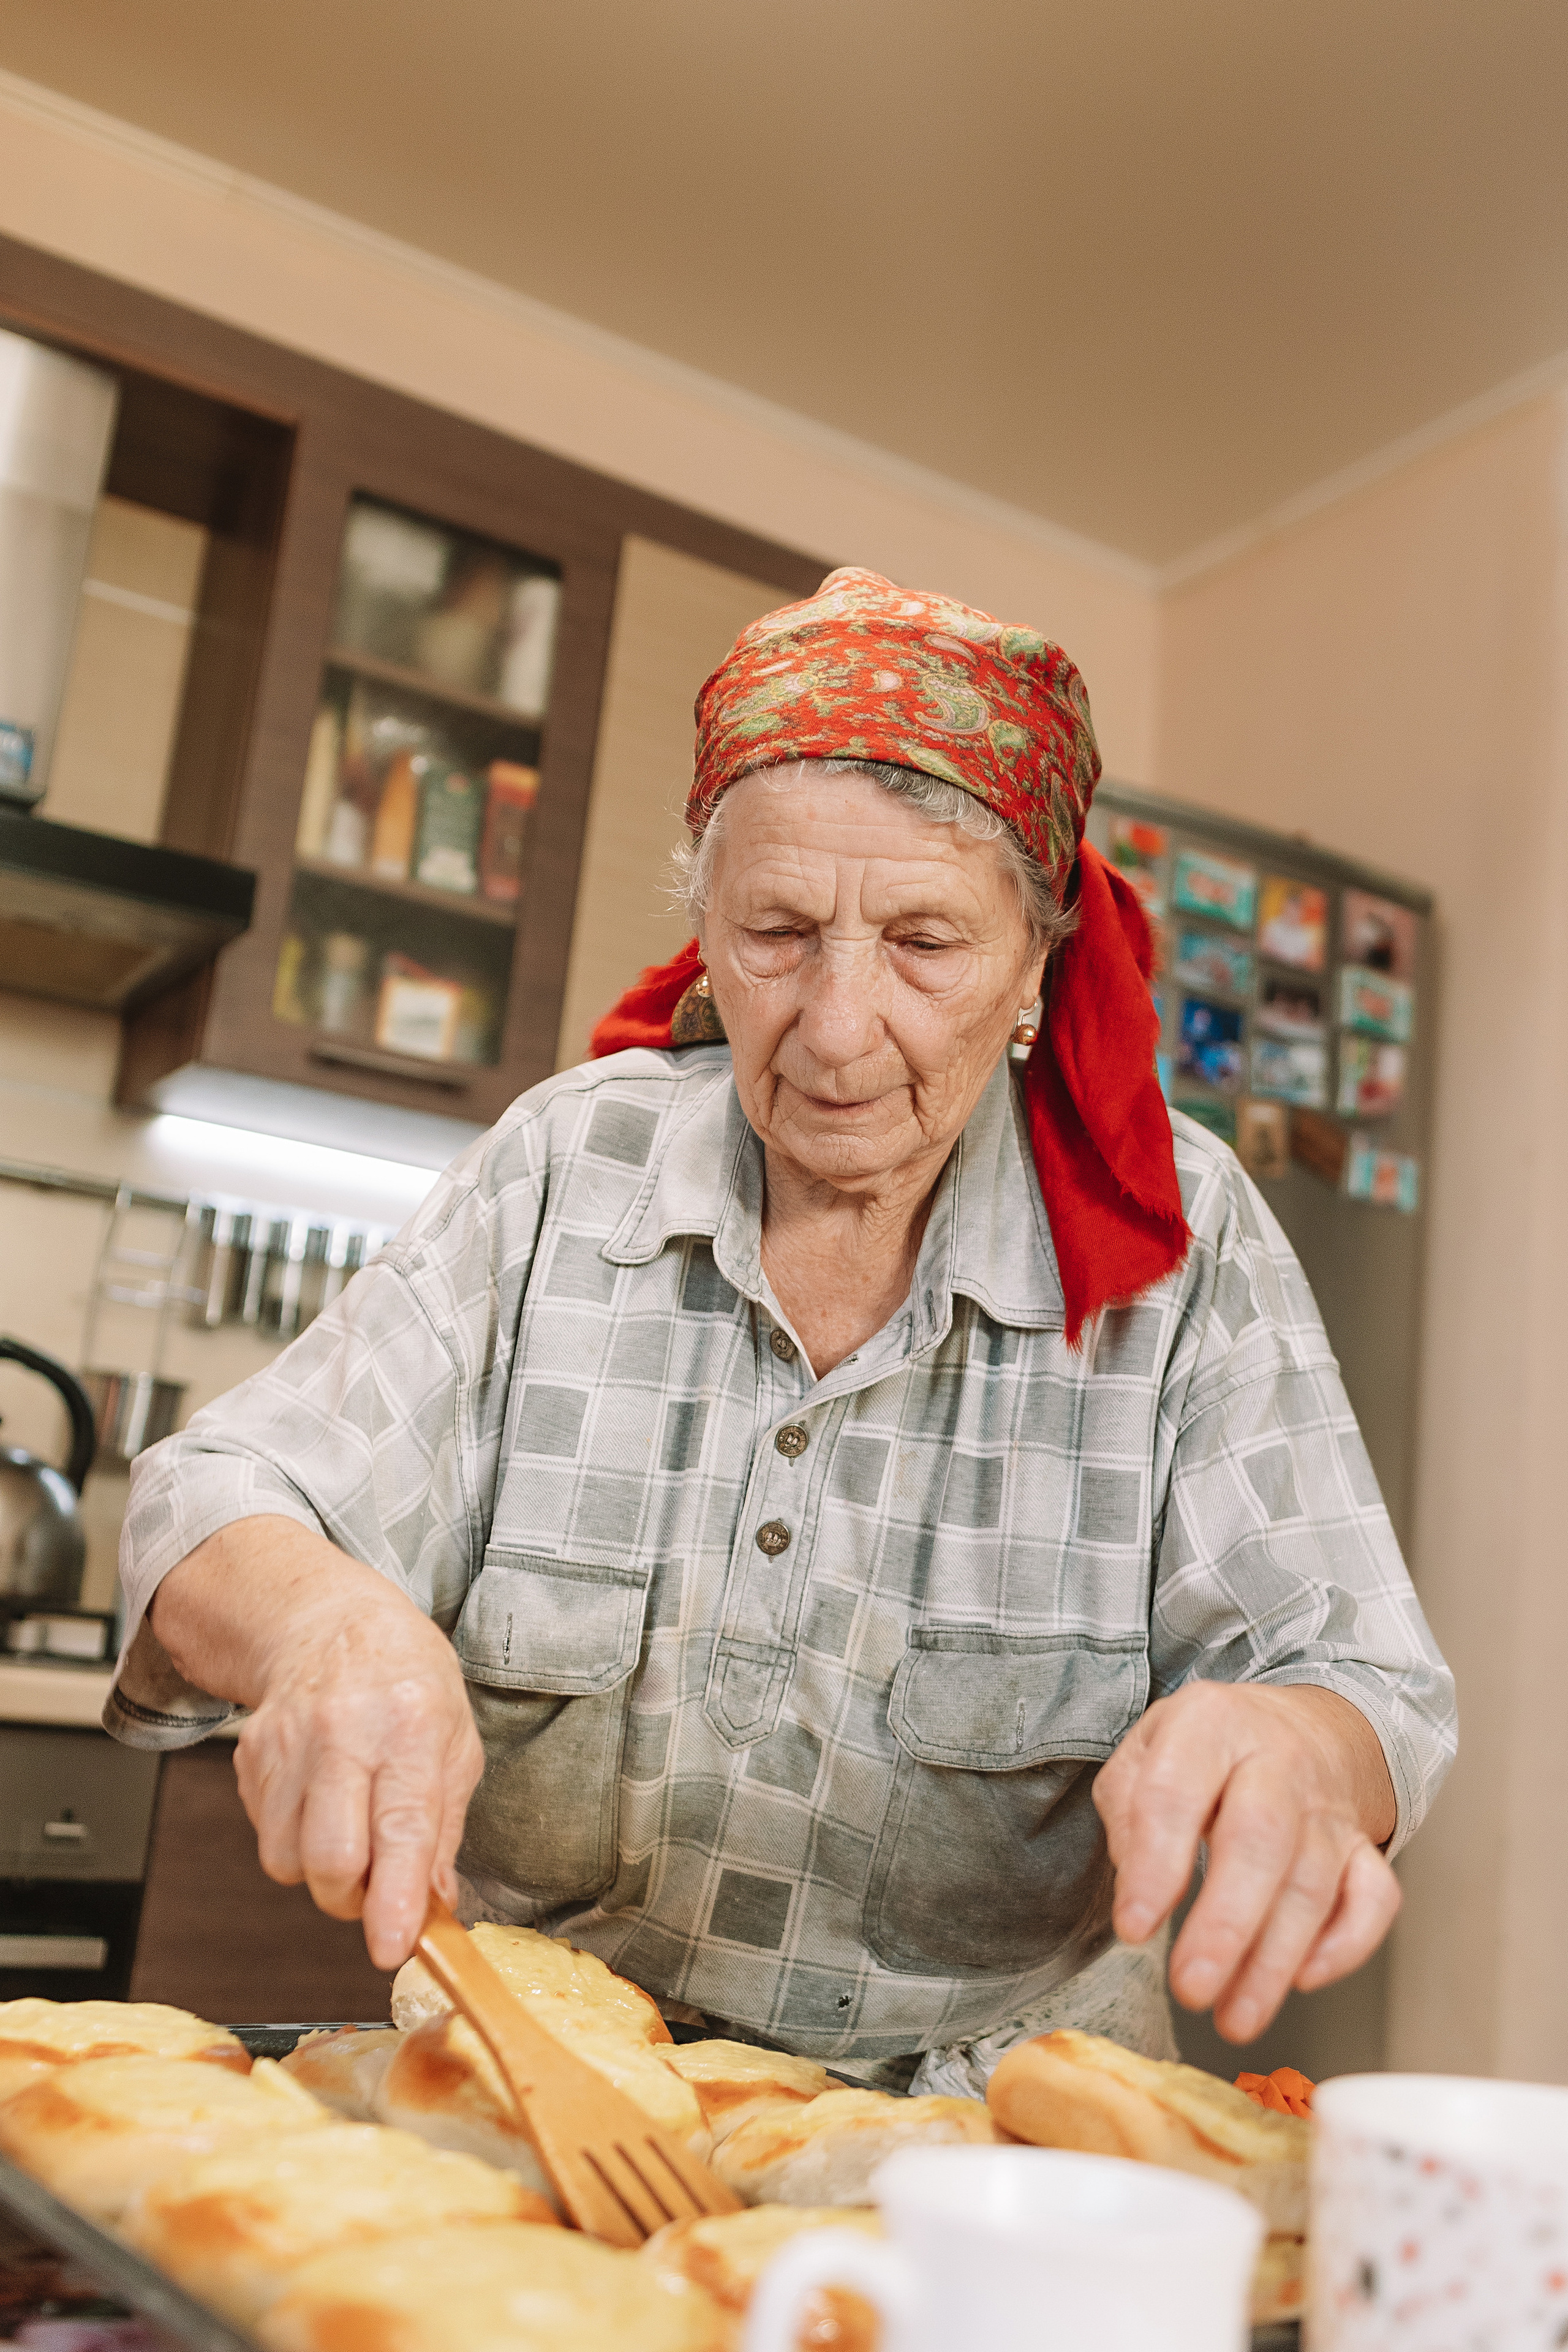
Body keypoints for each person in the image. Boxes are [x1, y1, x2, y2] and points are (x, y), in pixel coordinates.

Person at [110, 568, 1455, 2092]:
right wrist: (324, 1625)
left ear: (1035, 962)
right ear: (704, 922)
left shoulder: (1179, 1242)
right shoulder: (567, 1170)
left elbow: (1359, 1674)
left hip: (995, 2139)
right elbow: (214, 1497)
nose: (833, 1025)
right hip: (554, 2093)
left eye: (925, 943)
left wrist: (1299, 1747)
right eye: (776, 930)